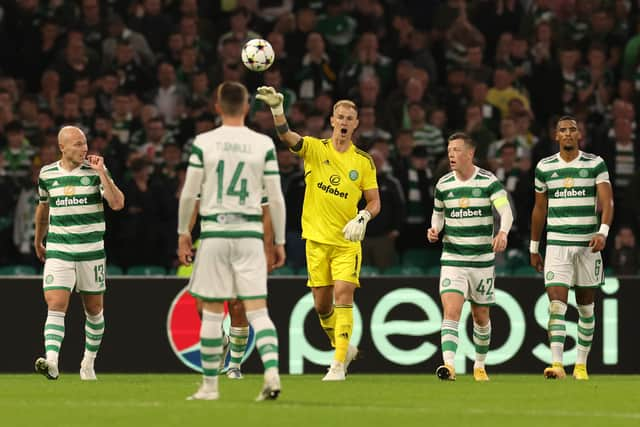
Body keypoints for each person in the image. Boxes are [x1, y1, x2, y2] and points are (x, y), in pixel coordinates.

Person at [256, 86, 381, 381]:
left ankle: (338, 364)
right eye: (341, 116)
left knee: (343, 293)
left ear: (356, 124)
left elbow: (375, 201)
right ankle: (343, 347)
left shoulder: (363, 161)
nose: (345, 121)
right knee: (322, 305)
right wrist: (277, 111)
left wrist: (363, 215)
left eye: (351, 117)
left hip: (346, 242)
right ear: (333, 120)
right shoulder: (315, 149)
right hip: (316, 240)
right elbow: (287, 137)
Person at [177, 81, 286, 401]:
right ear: (248, 108)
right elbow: (276, 198)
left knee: (212, 312)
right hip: (251, 234)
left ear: (217, 106)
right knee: (257, 310)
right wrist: (278, 240)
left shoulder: (204, 142)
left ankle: (210, 387)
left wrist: (184, 232)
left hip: (214, 233)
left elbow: (189, 193)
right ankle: (272, 375)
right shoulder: (262, 143)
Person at [34, 126, 125, 381]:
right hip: (59, 249)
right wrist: (38, 238)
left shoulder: (96, 172)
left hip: (91, 252)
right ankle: (51, 362)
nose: (83, 148)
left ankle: (88, 362)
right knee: (55, 303)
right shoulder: (47, 174)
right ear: (62, 147)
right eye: (76, 144)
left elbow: (117, 204)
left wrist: (102, 174)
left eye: (84, 143)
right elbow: (43, 207)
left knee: (94, 309)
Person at [530, 115, 614, 380]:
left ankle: (580, 365)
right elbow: (539, 208)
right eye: (562, 130)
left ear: (579, 135)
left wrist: (603, 232)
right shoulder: (544, 167)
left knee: (586, 306)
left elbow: (608, 202)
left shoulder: (595, 163)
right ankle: (557, 365)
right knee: (556, 304)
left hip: (588, 245)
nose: (567, 134)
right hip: (557, 245)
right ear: (556, 136)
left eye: (572, 130)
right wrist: (534, 247)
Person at [427, 132, 513, 382]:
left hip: (482, 261)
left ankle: (479, 364)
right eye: (449, 149)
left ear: (470, 153)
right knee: (451, 312)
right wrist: (435, 229)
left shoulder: (488, 181)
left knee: (480, 316)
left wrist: (503, 232)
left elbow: (506, 212)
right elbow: (438, 214)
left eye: (456, 149)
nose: (451, 154)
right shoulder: (443, 184)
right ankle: (449, 366)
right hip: (453, 258)